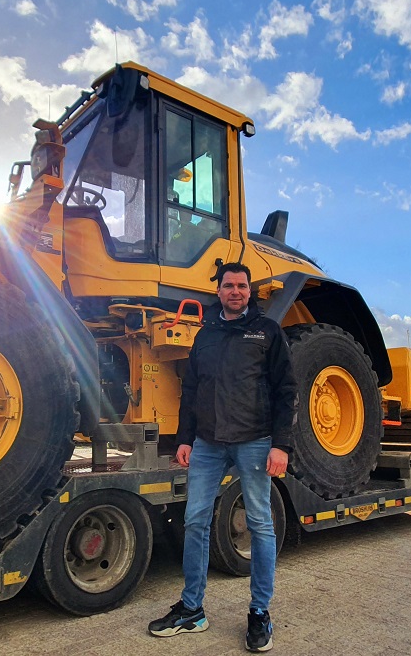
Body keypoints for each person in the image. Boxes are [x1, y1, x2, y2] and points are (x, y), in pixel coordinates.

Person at [148, 262, 297, 652]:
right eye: (229, 285)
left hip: (254, 441)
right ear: (219, 291)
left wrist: (281, 444)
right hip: (208, 444)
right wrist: (185, 438)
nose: (235, 291)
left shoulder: (267, 332)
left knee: (260, 523)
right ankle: (192, 609)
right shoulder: (205, 335)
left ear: (250, 291)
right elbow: (192, 388)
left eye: (242, 286)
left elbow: (286, 389)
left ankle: (260, 611)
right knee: (195, 520)